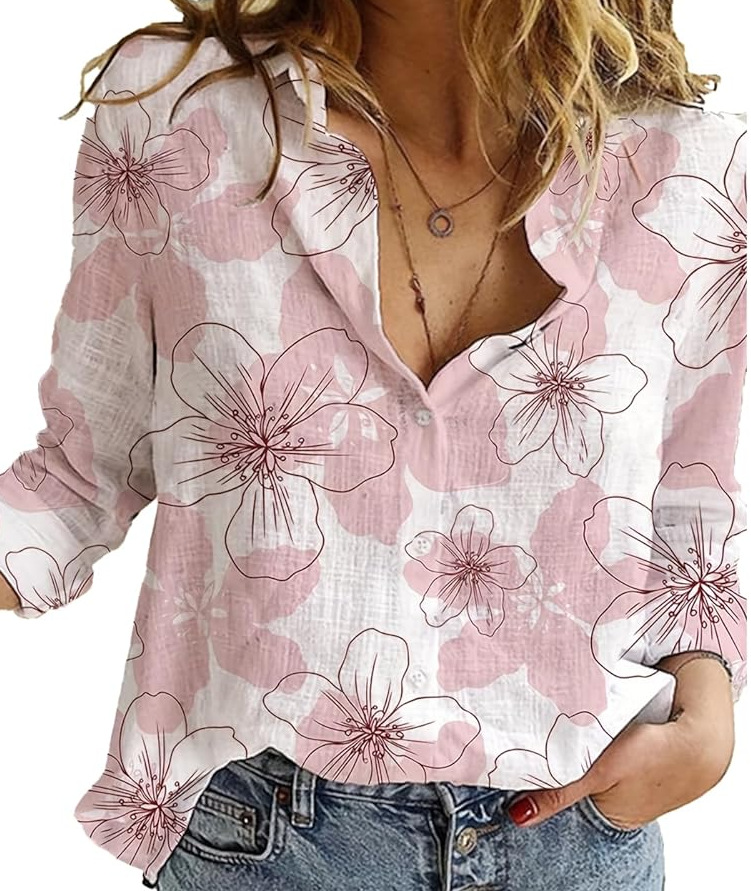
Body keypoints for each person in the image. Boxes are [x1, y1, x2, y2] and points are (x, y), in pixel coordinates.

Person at [0, 1, 746, 889]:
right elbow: (82, 469)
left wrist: (706, 718)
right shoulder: (179, 112)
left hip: (579, 839)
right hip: (269, 840)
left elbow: (692, 519)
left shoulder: (691, 167)